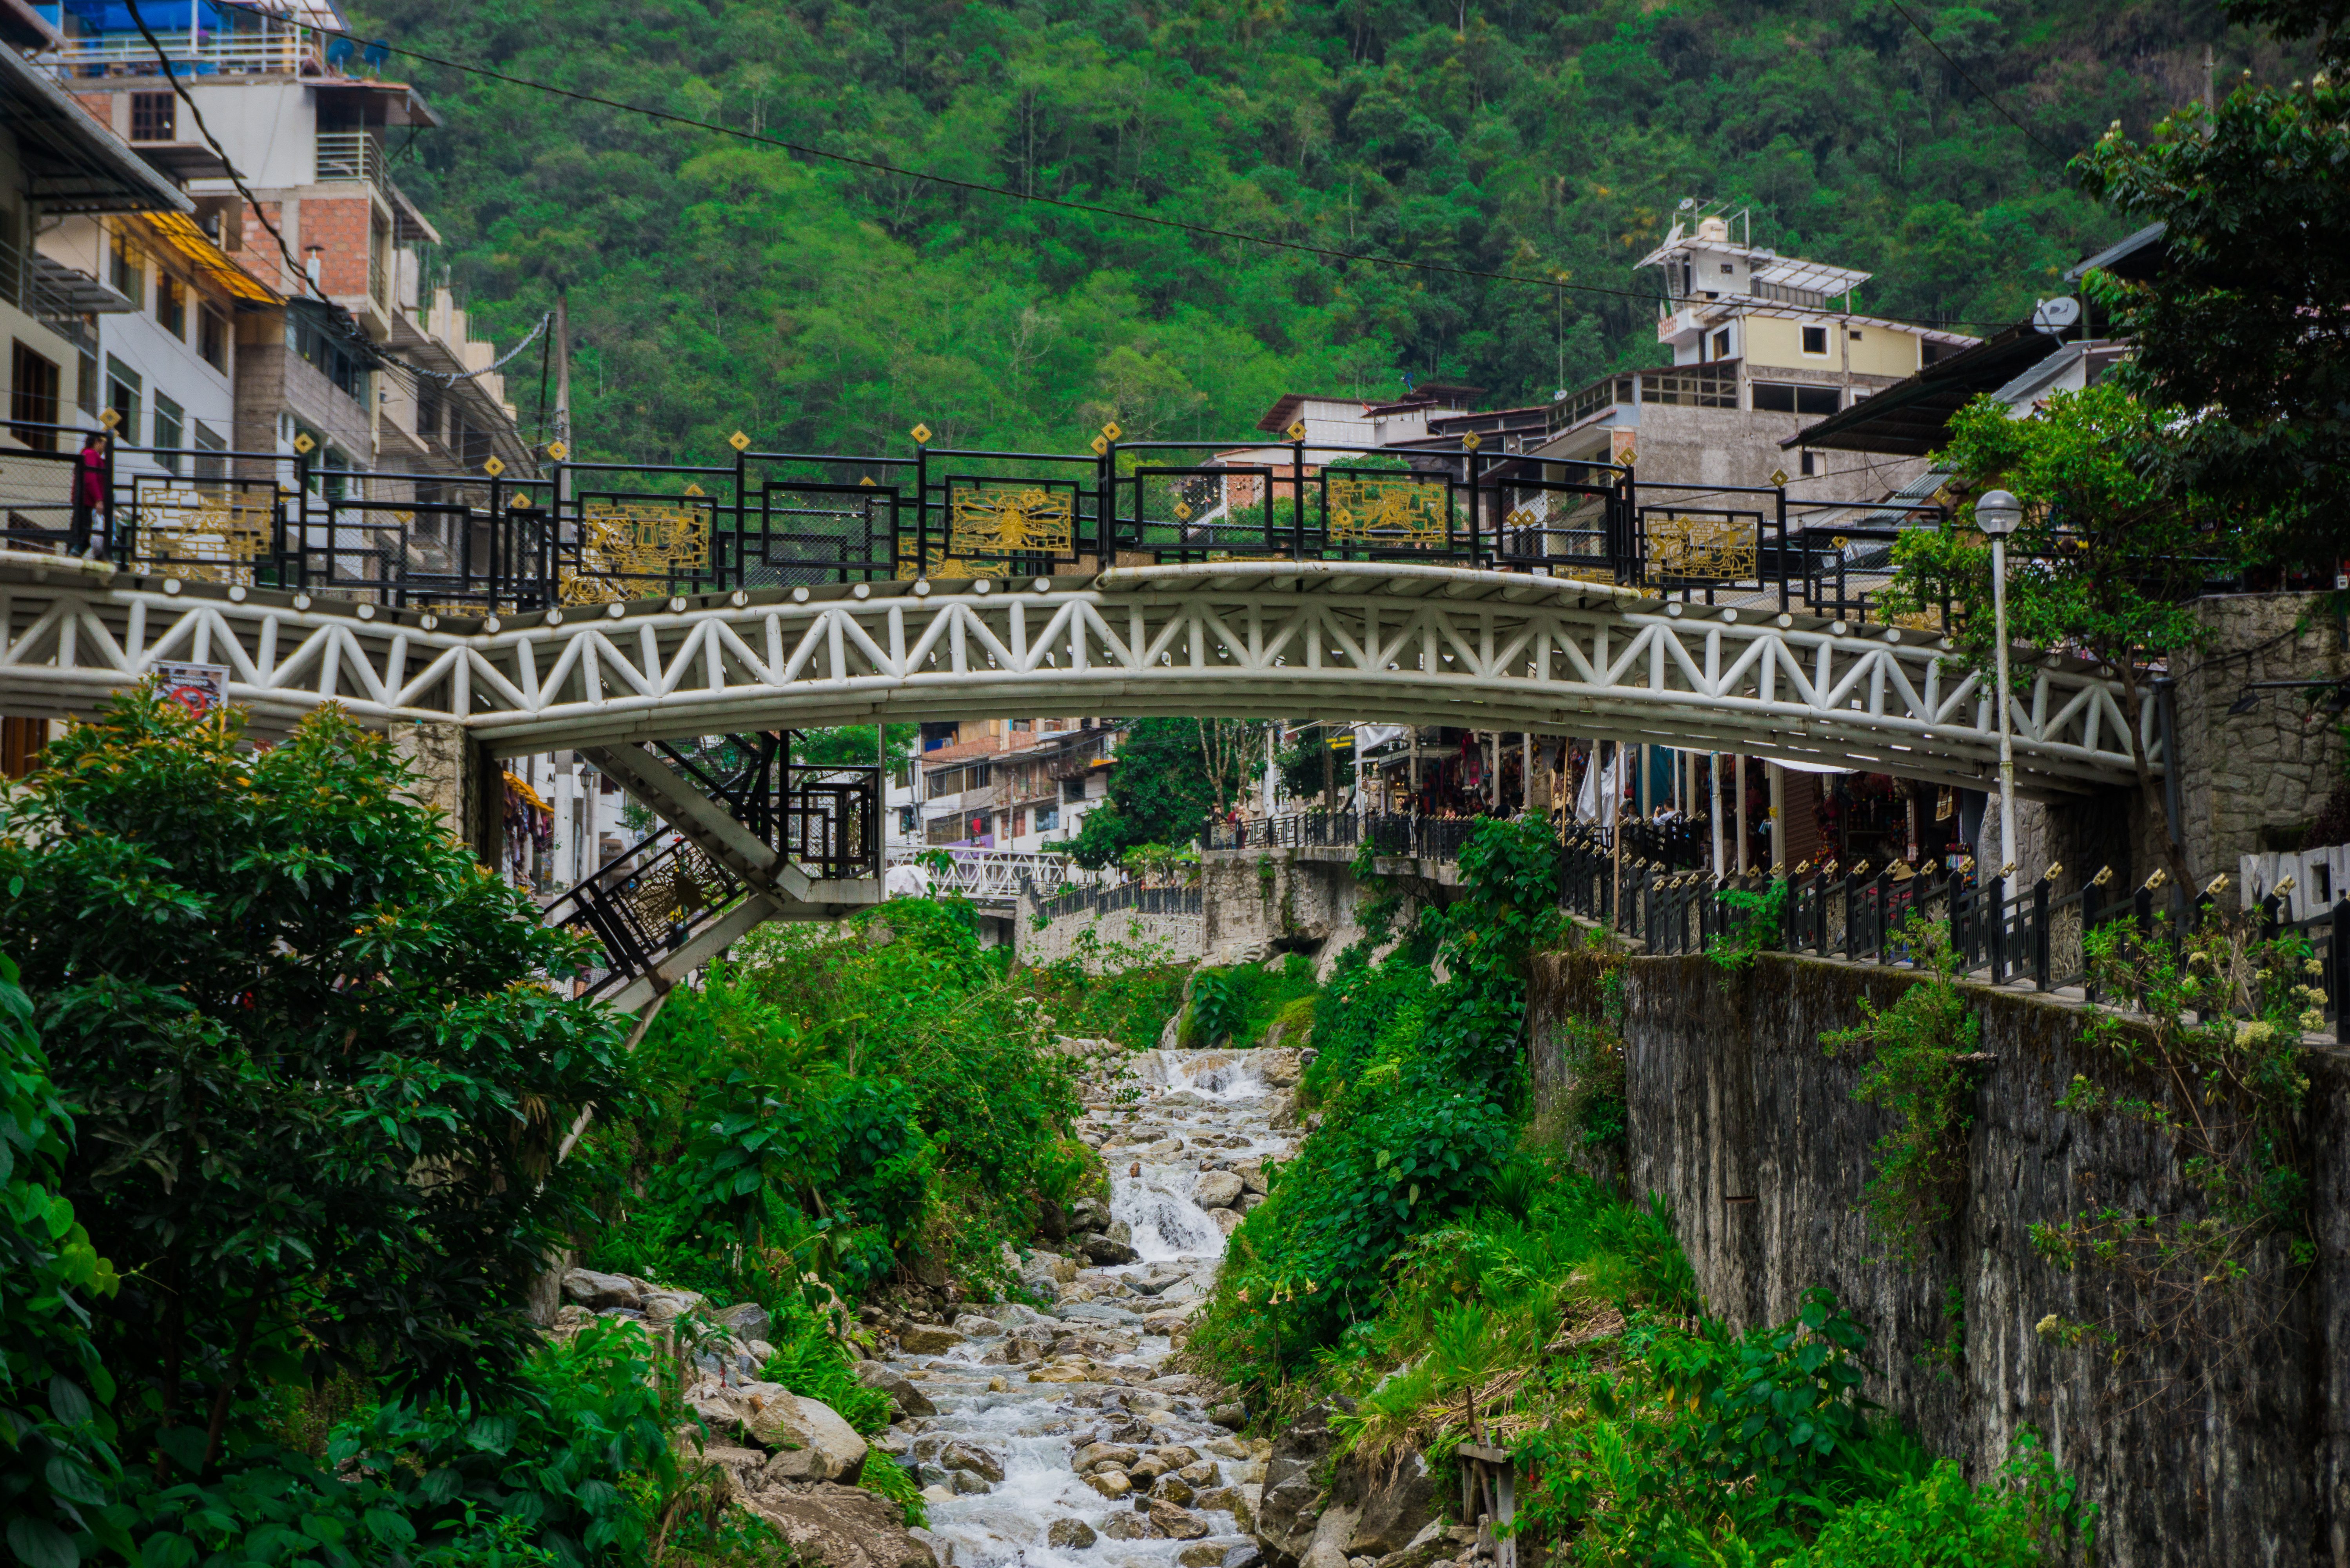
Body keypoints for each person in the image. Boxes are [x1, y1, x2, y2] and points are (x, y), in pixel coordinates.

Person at [69, 432, 106, 558]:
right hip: (86, 501)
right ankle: (72, 558)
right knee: (84, 535)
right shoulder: (91, 454)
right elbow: (90, 478)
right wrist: (98, 499)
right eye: (103, 443)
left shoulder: (89, 455)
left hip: (86, 501)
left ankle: (72, 557)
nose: (104, 446)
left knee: (82, 534)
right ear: (97, 442)